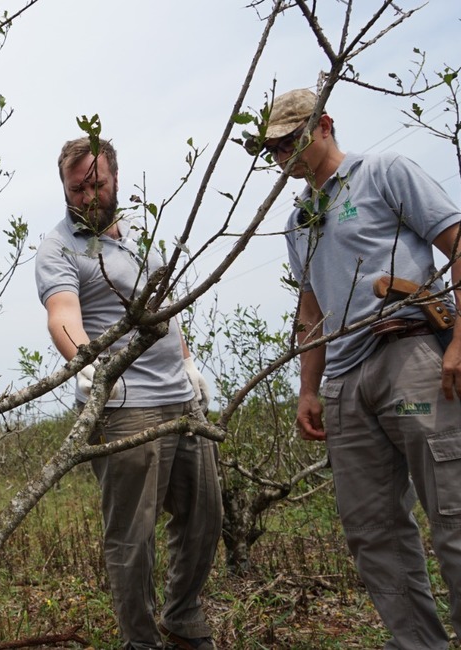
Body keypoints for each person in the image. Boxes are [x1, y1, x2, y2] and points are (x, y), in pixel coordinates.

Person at [268, 87, 461, 649]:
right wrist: (309, 388)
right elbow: (311, 310)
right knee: (373, 532)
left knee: (453, 516)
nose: (284, 155)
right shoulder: (299, 219)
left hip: (411, 352)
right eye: (274, 148)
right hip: (345, 383)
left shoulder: (384, 172)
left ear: (324, 124)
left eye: (292, 139)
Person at [35, 136, 223, 650]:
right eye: (77, 189)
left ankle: (182, 616)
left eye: (96, 184)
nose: (88, 196)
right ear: (65, 189)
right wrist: (88, 365)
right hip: (123, 407)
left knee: (206, 514)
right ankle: (140, 641)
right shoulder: (58, 248)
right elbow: (63, 316)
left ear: (115, 179)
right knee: (131, 535)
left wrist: (188, 363)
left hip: (180, 397)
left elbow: (162, 305)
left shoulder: (142, 232)